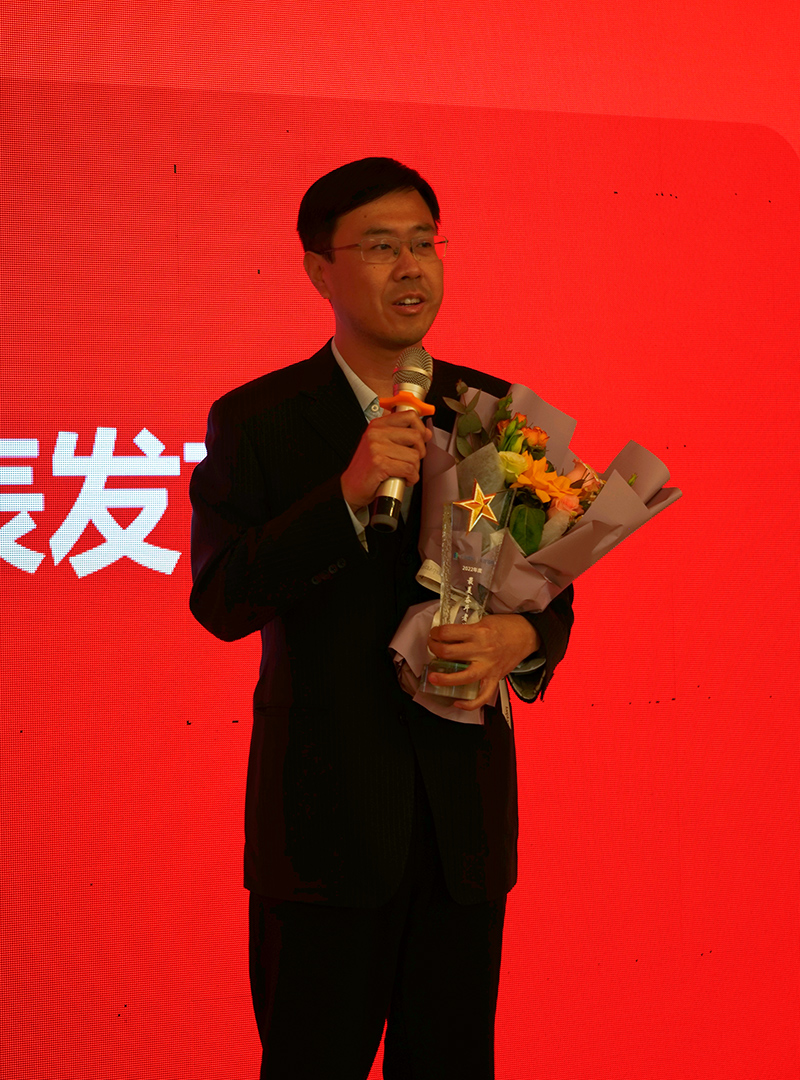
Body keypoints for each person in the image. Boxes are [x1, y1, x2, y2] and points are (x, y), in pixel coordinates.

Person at [189, 157, 574, 1079]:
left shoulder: (493, 412)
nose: (410, 267)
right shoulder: (259, 420)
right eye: (378, 247)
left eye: (423, 244)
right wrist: (347, 495)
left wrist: (521, 639)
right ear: (319, 271)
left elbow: (551, 580)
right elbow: (222, 596)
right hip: (324, 834)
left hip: (462, 835)